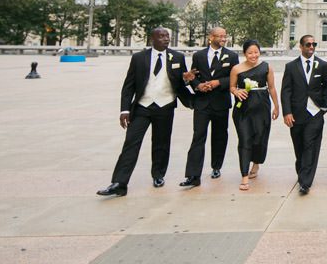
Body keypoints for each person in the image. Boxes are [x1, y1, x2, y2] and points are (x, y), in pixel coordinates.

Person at [97, 28, 192, 197]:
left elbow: (180, 82)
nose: (166, 39)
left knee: (161, 143)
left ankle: (158, 175)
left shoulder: (177, 57)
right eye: (161, 36)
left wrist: (188, 85)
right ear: (152, 39)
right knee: (131, 143)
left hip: (165, 106)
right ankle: (119, 183)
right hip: (142, 106)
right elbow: (129, 86)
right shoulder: (139, 58)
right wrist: (124, 109)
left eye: (167, 36)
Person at [179, 27, 238, 188]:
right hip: (202, 102)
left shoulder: (232, 56)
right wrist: (197, 85)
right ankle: (193, 175)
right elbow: (193, 75)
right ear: (210, 37)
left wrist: (219, 82)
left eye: (225, 36)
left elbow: (235, 78)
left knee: (219, 136)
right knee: (198, 136)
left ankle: (216, 166)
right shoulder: (198, 56)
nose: (223, 39)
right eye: (220, 36)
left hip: (221, 103)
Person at [281, 34, 327, 195]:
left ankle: (305, 182)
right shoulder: (291, 67)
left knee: (310, 145)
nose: (311, 47)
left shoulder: (322, 65)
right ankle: (302, 172)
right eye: (308, 44)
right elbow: (286, 91)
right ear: (301, 47)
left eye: (313, 44)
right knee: (299, 147)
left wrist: (324, 108)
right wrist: (287, 112)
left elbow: (325, 87)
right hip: (296, 113)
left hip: (315, 113)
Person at [231, 39, 279, 191]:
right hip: (243, 110)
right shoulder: (236, 69)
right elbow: (232, 87)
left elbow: (272, 88)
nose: (253, 55)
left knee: (259, 139)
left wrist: (277, 106)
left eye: (256, 52)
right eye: (250, 53)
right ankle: (244, 176)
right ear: (244, 53)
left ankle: (256, 163)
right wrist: (236, 91)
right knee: (245, 140)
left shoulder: (266, 67)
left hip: (262, 108)